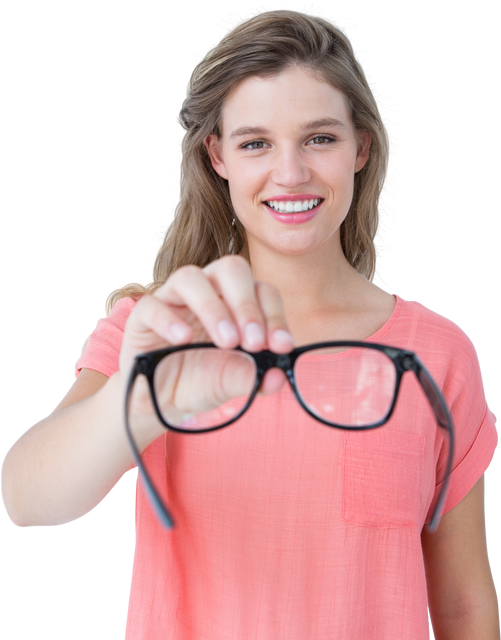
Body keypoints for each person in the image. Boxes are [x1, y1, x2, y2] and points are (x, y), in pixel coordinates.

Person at [1, 6, 499, 639]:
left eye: (320, 137)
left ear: (360, 148)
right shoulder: (157, 330)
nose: (289, 173)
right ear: (218, 156)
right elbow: (27, 501)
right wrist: (138, 401)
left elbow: (462, 604)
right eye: (255, 142)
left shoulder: (437, 352)